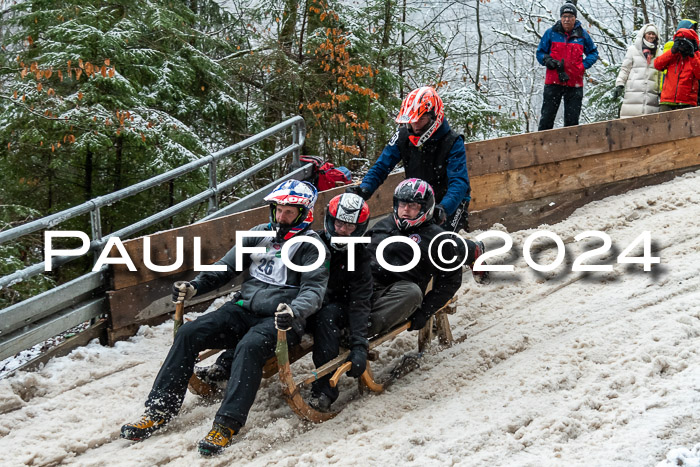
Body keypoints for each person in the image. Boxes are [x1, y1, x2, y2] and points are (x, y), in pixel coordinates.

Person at [119, 180, 329, 457]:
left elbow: (314, 290)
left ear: (304, 214)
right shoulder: (257, 235)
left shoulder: (311, 247)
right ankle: (159, 409)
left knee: (249, 347)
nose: (281, 217)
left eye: (289, 212)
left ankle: (226, 423)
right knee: (188, 333)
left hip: (281, 320)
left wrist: (294, 311)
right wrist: (195, 286)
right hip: (243, 309)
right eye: (278, 209)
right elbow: (224, 268)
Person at [346, 86, 471, 233]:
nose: (415, 125)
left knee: (437, 240)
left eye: (421, 119)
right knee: (386, 233)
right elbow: (381, 166)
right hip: (416, 200)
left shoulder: (452, 141)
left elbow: (459, 182)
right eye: (412, 120)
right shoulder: (403, 136)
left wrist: (444, 207)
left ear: (434, 116)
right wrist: (364, 189)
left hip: (448, 202)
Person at [364, 178, 479, 337]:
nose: (405, 210)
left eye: (413, 206)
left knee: (411, 292)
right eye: (402, 204)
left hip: (396, 294)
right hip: (364, 287)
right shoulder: (383, 225)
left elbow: (450, 280)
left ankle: (359, 331)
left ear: (425, 208)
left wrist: (425, 310)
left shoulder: (437, 238)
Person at [305, 193, 374, 412]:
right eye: (339, 223)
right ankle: (227, 364)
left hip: (338, 306)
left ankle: (324, 390)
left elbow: (361, 300)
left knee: (327, 317)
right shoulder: (312, 242)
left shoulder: (360, 255)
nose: (343, 230)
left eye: (350, 226)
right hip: (308, 299)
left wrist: (359, 344)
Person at [536, 2, 599, 130]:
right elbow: (540, 53)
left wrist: (582, 66)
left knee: (572, 123)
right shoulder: (551, 32)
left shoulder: (582, 34)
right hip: (553, 82)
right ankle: (543, 147)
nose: (566, 19)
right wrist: (546, 60)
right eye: (564, 16)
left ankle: (570, 149)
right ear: (560, 18)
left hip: (574, 84)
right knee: (547, 118)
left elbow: (593, 52)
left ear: (575, 18)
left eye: (570, 16)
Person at [613, 23, 663, 117]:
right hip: (633, 92)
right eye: (649, 33)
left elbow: (660, 74)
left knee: (649, 124)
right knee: (629, 121)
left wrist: (661, 90)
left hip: (651, 94)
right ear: (644, 34)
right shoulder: (633, 50)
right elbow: (625, 69)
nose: (651, 36)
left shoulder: (659, 53)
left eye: (653, 34)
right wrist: (620, 84)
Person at [654, 27, 700, 111]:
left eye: (685, 42)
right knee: (662, 124)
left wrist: (692, 55)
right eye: (680, 41)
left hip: (687, 102)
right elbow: (657, 65)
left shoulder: (696, 57)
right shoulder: (673, 56)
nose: (682, 45)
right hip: (667, 101)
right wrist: (672, 51)